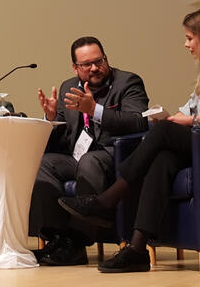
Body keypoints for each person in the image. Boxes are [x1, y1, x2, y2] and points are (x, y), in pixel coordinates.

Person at [59, 7, 200, 273]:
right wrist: (170, 117)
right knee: (163, 158)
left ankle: (108, 200)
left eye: (190, 38)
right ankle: (137, 249)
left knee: (165, 132)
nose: (186, 44)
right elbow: (188, 110)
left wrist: (188, 121)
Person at [30, 37, 149, 266]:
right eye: (86, 64)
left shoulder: (127, 82)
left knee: (90, 161)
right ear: (75, 67)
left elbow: (138, 122)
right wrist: (51, 118)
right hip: (76, 157)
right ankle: (57, 239)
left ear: (106, 58)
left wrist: (95, 110)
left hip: (112, 156)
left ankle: (77, 242)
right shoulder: (68, 87)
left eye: (99, 61)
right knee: (42, 164)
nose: (94, 68)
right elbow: (62, 136)